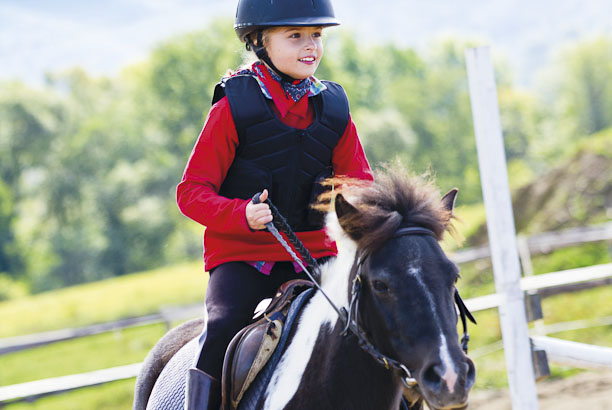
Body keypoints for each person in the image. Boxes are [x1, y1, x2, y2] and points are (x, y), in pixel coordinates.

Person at [176, 0, 372, 408]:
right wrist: (241, 215)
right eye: (295, 35)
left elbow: (360, 184)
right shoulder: (233, 107)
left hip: (316, 255)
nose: (310, 46)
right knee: (223, 326)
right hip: (243, 257)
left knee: (374, 323)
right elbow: (190, 192)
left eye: (316, 36)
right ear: (258, 42)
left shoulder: (334, 109)